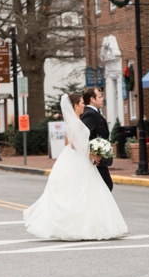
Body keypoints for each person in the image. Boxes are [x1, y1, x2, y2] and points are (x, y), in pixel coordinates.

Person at [23, 92, 128, 241]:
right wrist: (91, 154)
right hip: (79, 159)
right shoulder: (76, 122)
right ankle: (83, 227)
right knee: (84, 192)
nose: (84, 105)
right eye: (81, 103)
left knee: (84, 192)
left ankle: (81, 225)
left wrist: (90, 148)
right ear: (75, 105)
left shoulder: (73, 121)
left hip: (73, 158)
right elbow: (72, 144)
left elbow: (67, 143)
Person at [80, 87, 112, 191]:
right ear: (92, 99)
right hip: (95, 160)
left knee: (105, 187)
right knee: (105, 187)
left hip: (99, 160)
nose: (102, 99)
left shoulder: (95, 113)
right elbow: (83, 137)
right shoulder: (90, 114)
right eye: (99, 96)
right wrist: (91, 154)